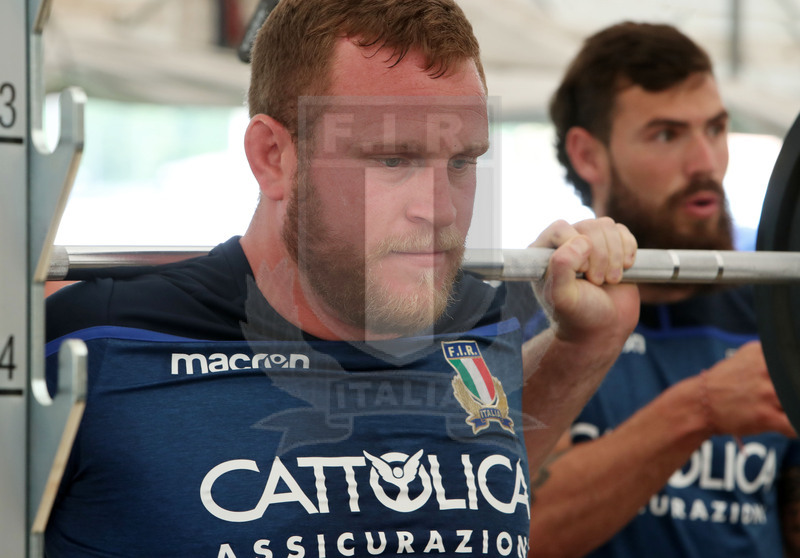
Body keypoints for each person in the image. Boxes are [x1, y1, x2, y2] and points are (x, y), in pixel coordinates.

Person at [43, 1, 639, 556]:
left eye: (461, 162)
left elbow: (473, 484)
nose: (441, 210)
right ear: (273, 157)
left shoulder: (478, 321)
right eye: (391, 160)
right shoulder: (97, 342)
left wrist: (583, 343)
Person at [526, 21, 800, 558]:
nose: (705, 163)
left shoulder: (776, 316)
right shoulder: (530, 320)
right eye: (667, 134)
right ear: (588, 155)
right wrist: (699, 408)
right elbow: (511, 531)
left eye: (716, 129)